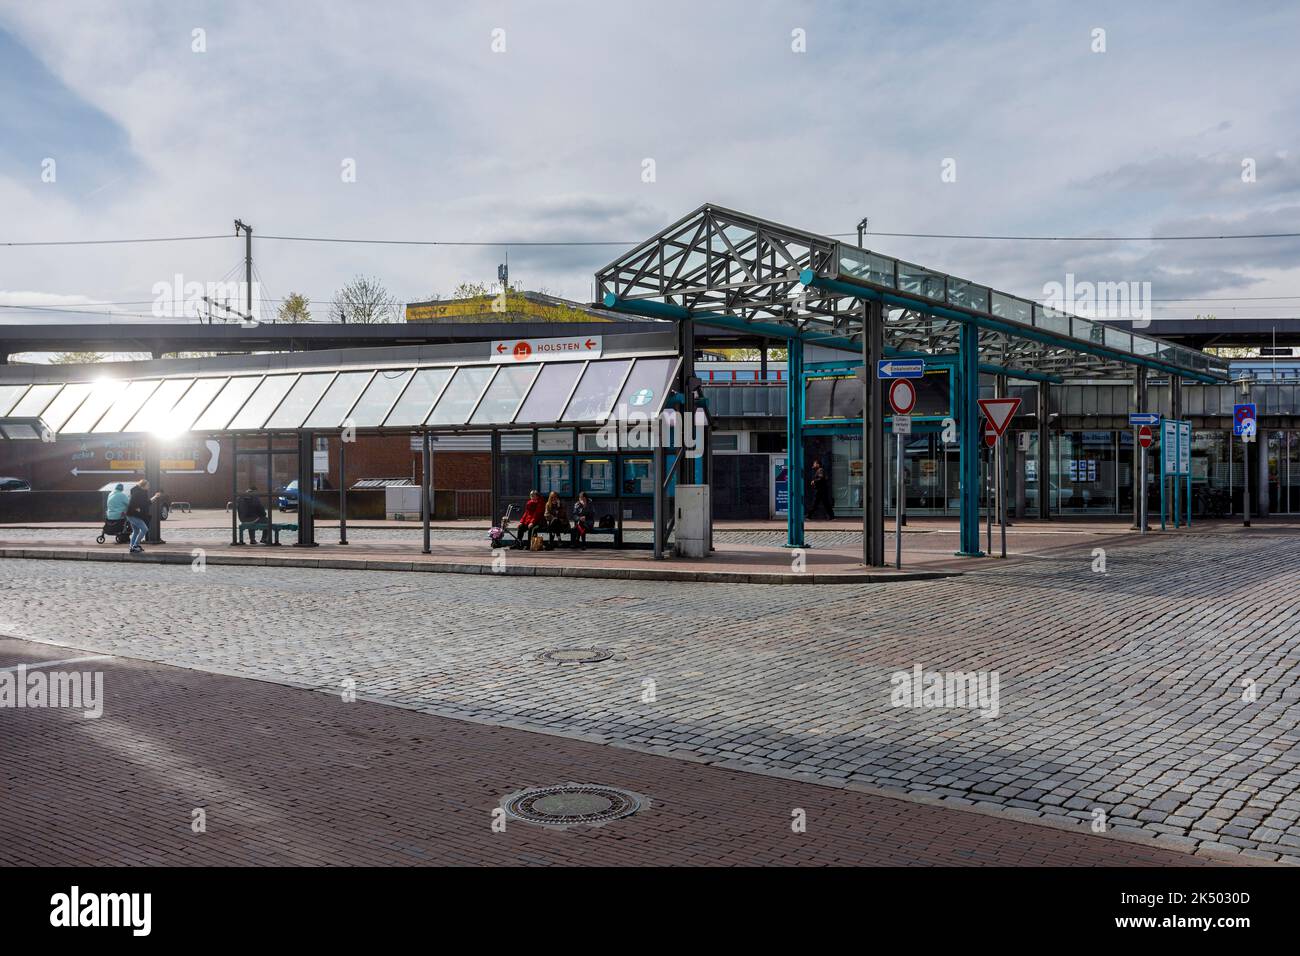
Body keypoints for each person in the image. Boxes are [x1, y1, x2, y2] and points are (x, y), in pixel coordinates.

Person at [125, 479, 161, 554]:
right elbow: (146, 503)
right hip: (133, 515)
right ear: (143, 486)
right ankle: (135, 545)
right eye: (148, 485)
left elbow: (137, 502)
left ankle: (132, 547)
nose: (149, 486)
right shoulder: (140, 493)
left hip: (130, 514)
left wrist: (137, 507)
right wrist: (155, 497)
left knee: (136, 531)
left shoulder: (136, 491)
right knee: (145, 529)